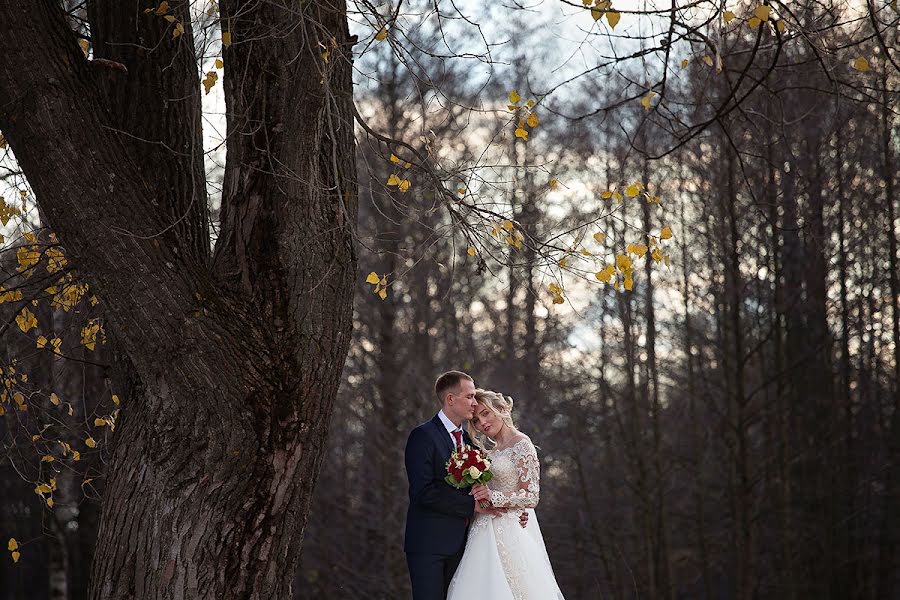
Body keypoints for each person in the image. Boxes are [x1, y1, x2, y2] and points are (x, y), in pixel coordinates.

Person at [404, 372, 528, 600]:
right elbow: (423, 493)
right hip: (429, 546)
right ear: (451, 399)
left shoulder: (470, 443)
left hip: (465, 544)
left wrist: (514, 510)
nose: (474, 402)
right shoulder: (423, 436)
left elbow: (490, 485)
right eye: (470, 396)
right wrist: (473, 505)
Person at [446, 388, 565, 600]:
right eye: (475, 420)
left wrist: (494, 496)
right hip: (482, 527)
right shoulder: (488, 452)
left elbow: (531, 495)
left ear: (500, 409)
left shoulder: (522, 444)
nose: (482, 423)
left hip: (509, 529)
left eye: (485, 414)